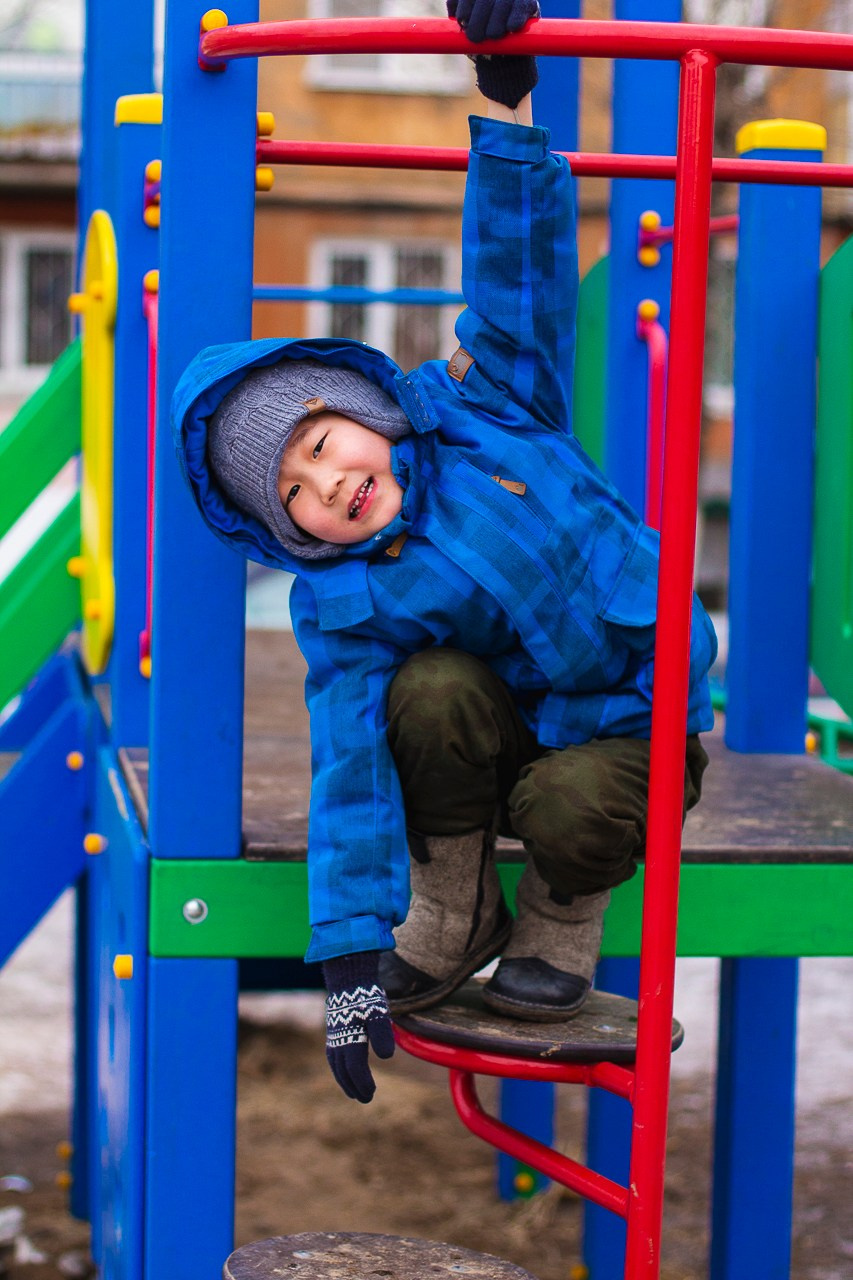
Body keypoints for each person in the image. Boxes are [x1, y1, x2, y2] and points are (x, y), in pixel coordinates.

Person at [172, 0, 717, 1106]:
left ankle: (560, 920)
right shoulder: (346, 595)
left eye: (321, 442)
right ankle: (455, 898)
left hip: (628, 718)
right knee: (418, 693)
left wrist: (503, 97)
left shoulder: (490, 404)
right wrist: (343, 953)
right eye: (294, 497)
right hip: (503, 735)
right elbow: (351, 766)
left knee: (576, 805)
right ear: (288, 535)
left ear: (365, 405)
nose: (327, 482)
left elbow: (517, 276)